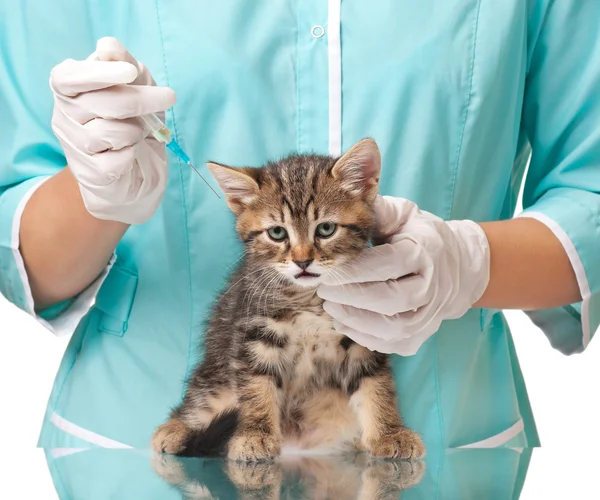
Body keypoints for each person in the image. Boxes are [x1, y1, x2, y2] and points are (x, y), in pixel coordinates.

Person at [0, 1, 598, 456]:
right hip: (138, 457)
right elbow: (27, 265)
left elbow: (589, 196)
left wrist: (471, 264)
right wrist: (96, 191)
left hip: (446, 453)